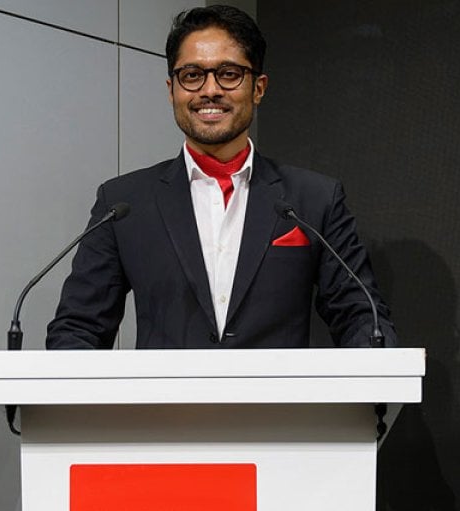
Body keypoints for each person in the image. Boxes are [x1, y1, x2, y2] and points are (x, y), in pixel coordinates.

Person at [46, 5, 395, 350]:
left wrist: (375, 366)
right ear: (171, 90)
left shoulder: (314, 199)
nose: (209, 89)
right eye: (192, 75)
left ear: (258, 88)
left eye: (228, 74)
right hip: (166, 391)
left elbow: (362, 317)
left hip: (278, 391)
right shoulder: (123, 204)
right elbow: (77, 329)